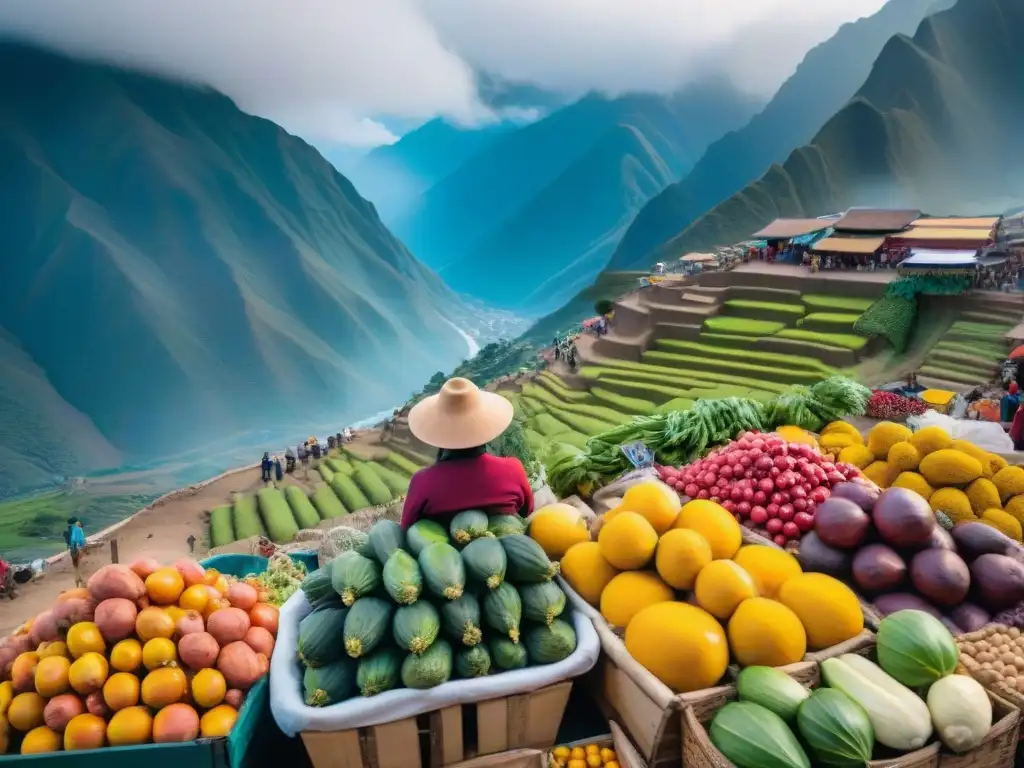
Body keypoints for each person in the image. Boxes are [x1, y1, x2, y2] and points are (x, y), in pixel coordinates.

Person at [400, 377, 534, 531]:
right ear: (483, 426)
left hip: (445, 554)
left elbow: (406, 529)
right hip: (505, 547)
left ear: (438, 432)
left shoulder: (423, 483)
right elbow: (527, 511)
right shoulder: (512, 469)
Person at [68, 519, 86, 588]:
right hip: (78, 550)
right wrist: (82, 550)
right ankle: (80, 580)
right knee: (78, 565)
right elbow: (81, 542)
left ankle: (77, 582)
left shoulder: (73, 530)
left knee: (75, 567)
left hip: (73, 550)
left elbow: (72, 541)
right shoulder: (80, 531)